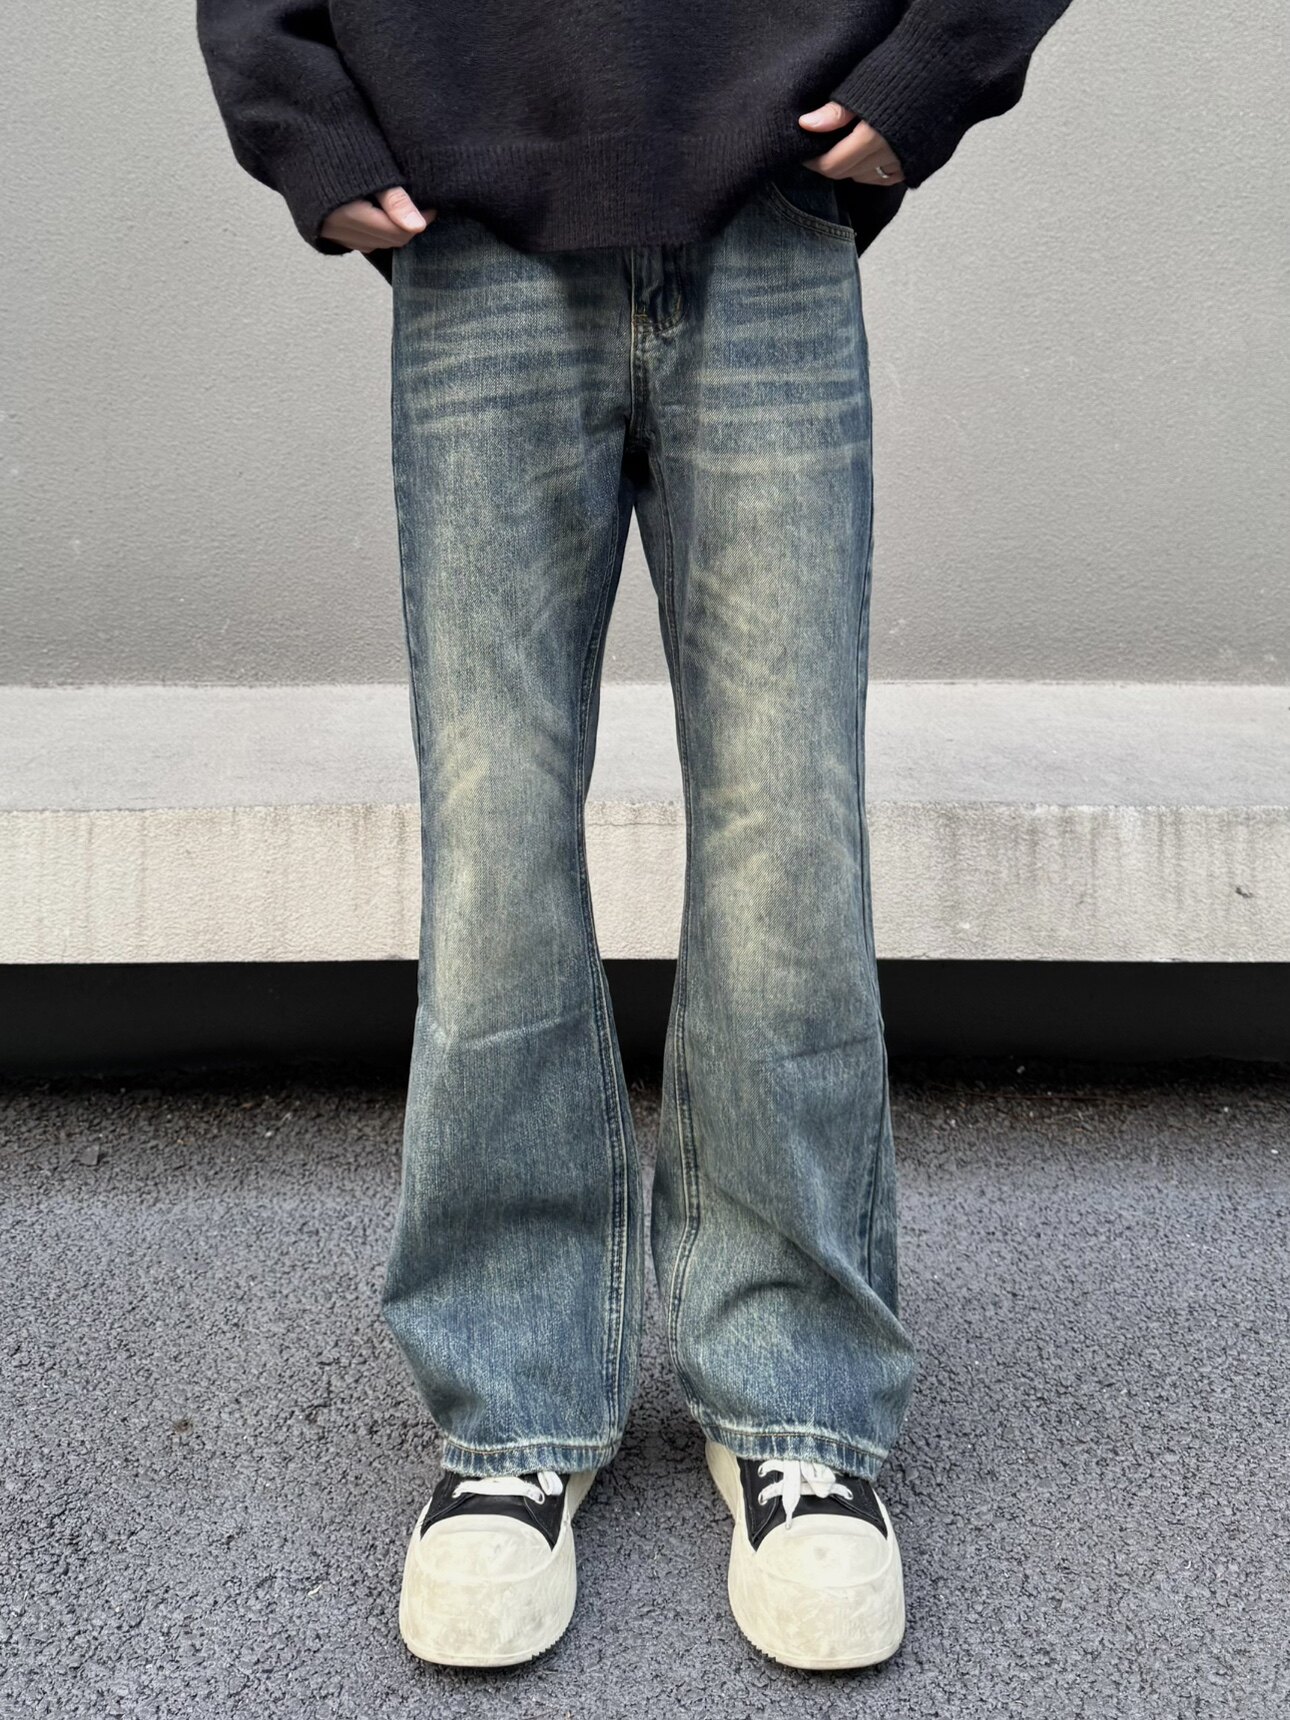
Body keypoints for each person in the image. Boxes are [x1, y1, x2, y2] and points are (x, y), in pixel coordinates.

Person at [197, 0, 1074, 1673]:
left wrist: (926, 75)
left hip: (770, 219)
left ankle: (797, 1406)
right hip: (472, 238)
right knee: (493, 839)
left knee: (786, 834)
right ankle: (511, 1407)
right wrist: (304, 120)